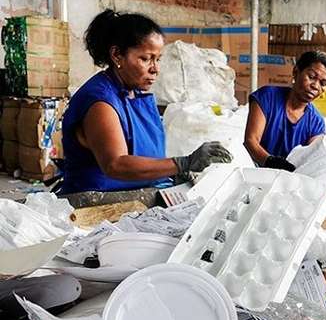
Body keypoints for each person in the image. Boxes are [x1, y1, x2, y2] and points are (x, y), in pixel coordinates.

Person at [60, 10, 232, 194]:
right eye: (146, 58)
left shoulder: (133, 94)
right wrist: (182, 163)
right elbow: (115, 164)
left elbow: (147, 156)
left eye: (158, 59)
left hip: (139, 194)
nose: (155, 69)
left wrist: (173, 172)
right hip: (96, 204)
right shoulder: (100, 102)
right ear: (117, 55)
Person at [243, 50, 326, 172]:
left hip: (290, 181)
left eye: (323, 83)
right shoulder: (267, 97)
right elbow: (251, 141)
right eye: (312, 77)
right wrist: (270, 161)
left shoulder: (316, 122)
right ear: (296, 72)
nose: (316, 86)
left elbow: (312, 158)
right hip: (255, 172)